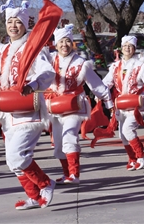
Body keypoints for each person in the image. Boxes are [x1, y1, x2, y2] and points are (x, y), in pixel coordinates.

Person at [0, 0, 56, 210]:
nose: (13, 26)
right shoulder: (2, 51)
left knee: (16, 156)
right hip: (8, 112)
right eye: (10, 21)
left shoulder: (34, 47)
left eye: (17, 22)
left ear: (25, 24)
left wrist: (35, 83)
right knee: (13, 162)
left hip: (29, 111)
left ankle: (46, 183)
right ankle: (34, 196)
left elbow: (48, 73)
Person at [47, 24, 113, 185]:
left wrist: (109, 102)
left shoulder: (81, 63)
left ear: (72, 43)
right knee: (58, 144)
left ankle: (74, 174)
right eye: (61, 42)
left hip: (74, 105)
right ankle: (66, 173)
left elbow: (96, 84)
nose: (64, 45)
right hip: (55, 106)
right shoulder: (49, 59)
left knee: (69, 137)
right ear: (56, 43)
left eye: (67, 41)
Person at [102, 35, 144, 171]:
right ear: (121, 48)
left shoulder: (140, 65)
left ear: (134, 48)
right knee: (122, 135)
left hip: (137, 103)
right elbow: (107, 82)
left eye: (130, 46)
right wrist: (99, 92)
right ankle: (132, 158)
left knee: (128, 129)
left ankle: (141, 156)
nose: (127, 48)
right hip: (122, 104)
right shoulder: (115, 66)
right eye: (125, 46)